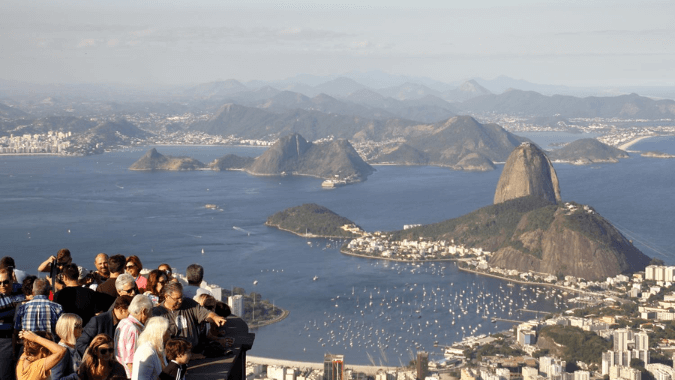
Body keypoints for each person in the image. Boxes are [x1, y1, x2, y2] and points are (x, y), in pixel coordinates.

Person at [152, 282, 227, 350]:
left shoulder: (188, 303)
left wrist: (215, 317)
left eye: (181, 297)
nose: (180, 301)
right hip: (175, 356)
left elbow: (205, 313)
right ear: (166, 296)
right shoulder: (157, 313)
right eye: (177, 298)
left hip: (194, 349)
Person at [114, 295, 152, 378]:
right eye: (150, 311)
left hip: (120, 373)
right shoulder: (134, 329)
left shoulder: (123, 322)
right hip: (130, 375)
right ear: (144, 311)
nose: (151, 315)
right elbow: (131, 361)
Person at [0, 267, 25, 380]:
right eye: (0, 283)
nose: (2, 285)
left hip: (18, 339)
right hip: (4, 339)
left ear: (12, 280)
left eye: (5, 282)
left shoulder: (21, 290)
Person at [51, 313, 83, 380]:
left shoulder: (73, 349)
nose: (81, 328)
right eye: (77, 326)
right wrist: (76, 376)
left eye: (81, 325)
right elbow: (56, 379)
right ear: (67, 328)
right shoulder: (62, 351)